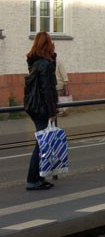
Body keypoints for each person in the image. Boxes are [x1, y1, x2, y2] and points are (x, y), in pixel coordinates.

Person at [24, 31, 59, 191]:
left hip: (34, 106)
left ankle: (39, 177)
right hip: (42, 108)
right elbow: (47, 89)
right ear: (47, 45)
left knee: (42, 143)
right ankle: (32, 180)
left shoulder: (36, 61)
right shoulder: (44, 64)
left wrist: (53, 58)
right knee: (41, 144)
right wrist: (52, 111)